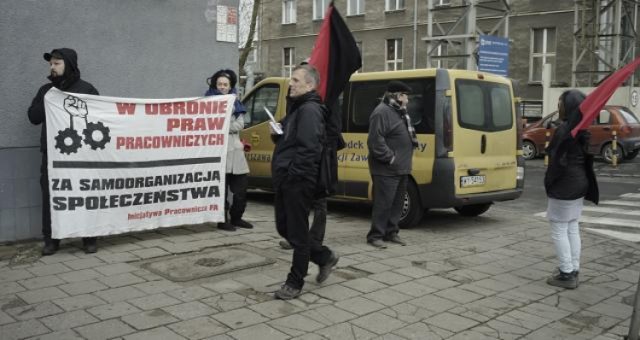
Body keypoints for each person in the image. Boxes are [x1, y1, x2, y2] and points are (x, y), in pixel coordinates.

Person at [271, 64, 339, 300]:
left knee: (298, 235)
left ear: (309, 85)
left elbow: (309, 149)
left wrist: (293, 176)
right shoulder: (297, 108)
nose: (291, 83)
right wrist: (278, 132)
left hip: (298, 181)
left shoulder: (310, 110)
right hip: (287, 179)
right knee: (284, 228)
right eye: (291, 79)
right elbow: (291, 139)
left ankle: (295, 281)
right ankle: (323, 256)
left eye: (296, 80)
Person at [27, 48, 100, 255]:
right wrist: (48, 99)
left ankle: (89, 238)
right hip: (52, 156)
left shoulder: (87, 90)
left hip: (82, 156)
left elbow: (99, 118)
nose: (52, 67)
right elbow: (33, 118)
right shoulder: (46, 91)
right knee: (51, 196)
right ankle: (52, 240)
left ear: (68, 64)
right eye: (50, 64)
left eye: (57, 63)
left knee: (85, 195)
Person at [544, 89, 599, 289]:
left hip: (564, 186)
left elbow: (556, 163)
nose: (558, 107)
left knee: (559, 229)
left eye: (560, 104)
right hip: (579, 183)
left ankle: (566, 273)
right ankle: (573, 268)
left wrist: (549, 184)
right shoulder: (583, 129)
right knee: (572, 226)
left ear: (568, 107)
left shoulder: (565, 130)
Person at [366, 81, 418, 249]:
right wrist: (391, 158)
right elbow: (375, 141)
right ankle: (375, 236)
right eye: (405, 96)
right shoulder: (381, 112)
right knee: (383, 203)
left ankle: (391, 232)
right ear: (397, 96)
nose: (407, 100)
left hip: (401, 167)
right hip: (386, 168)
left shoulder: (399, 111)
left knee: (396, 203)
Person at [205, 69, 254, 231]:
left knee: (241, 190)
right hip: (220, 151)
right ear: (215, 85)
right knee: (221, 191)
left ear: (230, 86)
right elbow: (209, 124)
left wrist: (223, 125)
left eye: (225, 84)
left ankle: (237, 218)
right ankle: (222, 220)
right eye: (219, 84)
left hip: (236, 151)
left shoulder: (236, 102)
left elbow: (240, 124)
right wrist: (225, 126)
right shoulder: (208, 101)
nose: (222, 87)